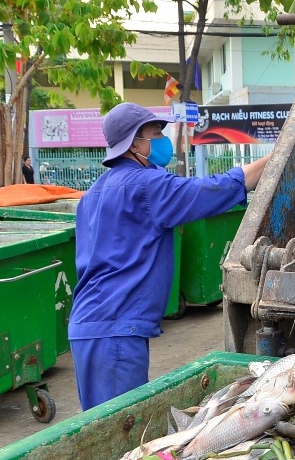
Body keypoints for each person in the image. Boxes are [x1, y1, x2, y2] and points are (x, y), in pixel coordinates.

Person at [69, 102, 271, 410]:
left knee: (99, 425)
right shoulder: (147, 185)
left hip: (89, 325)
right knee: (122, 432)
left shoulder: (92, 194)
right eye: (155, 134)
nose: (163, 140)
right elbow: (213, 191)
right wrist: (276, 157)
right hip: (115, 328)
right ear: (134, 143)